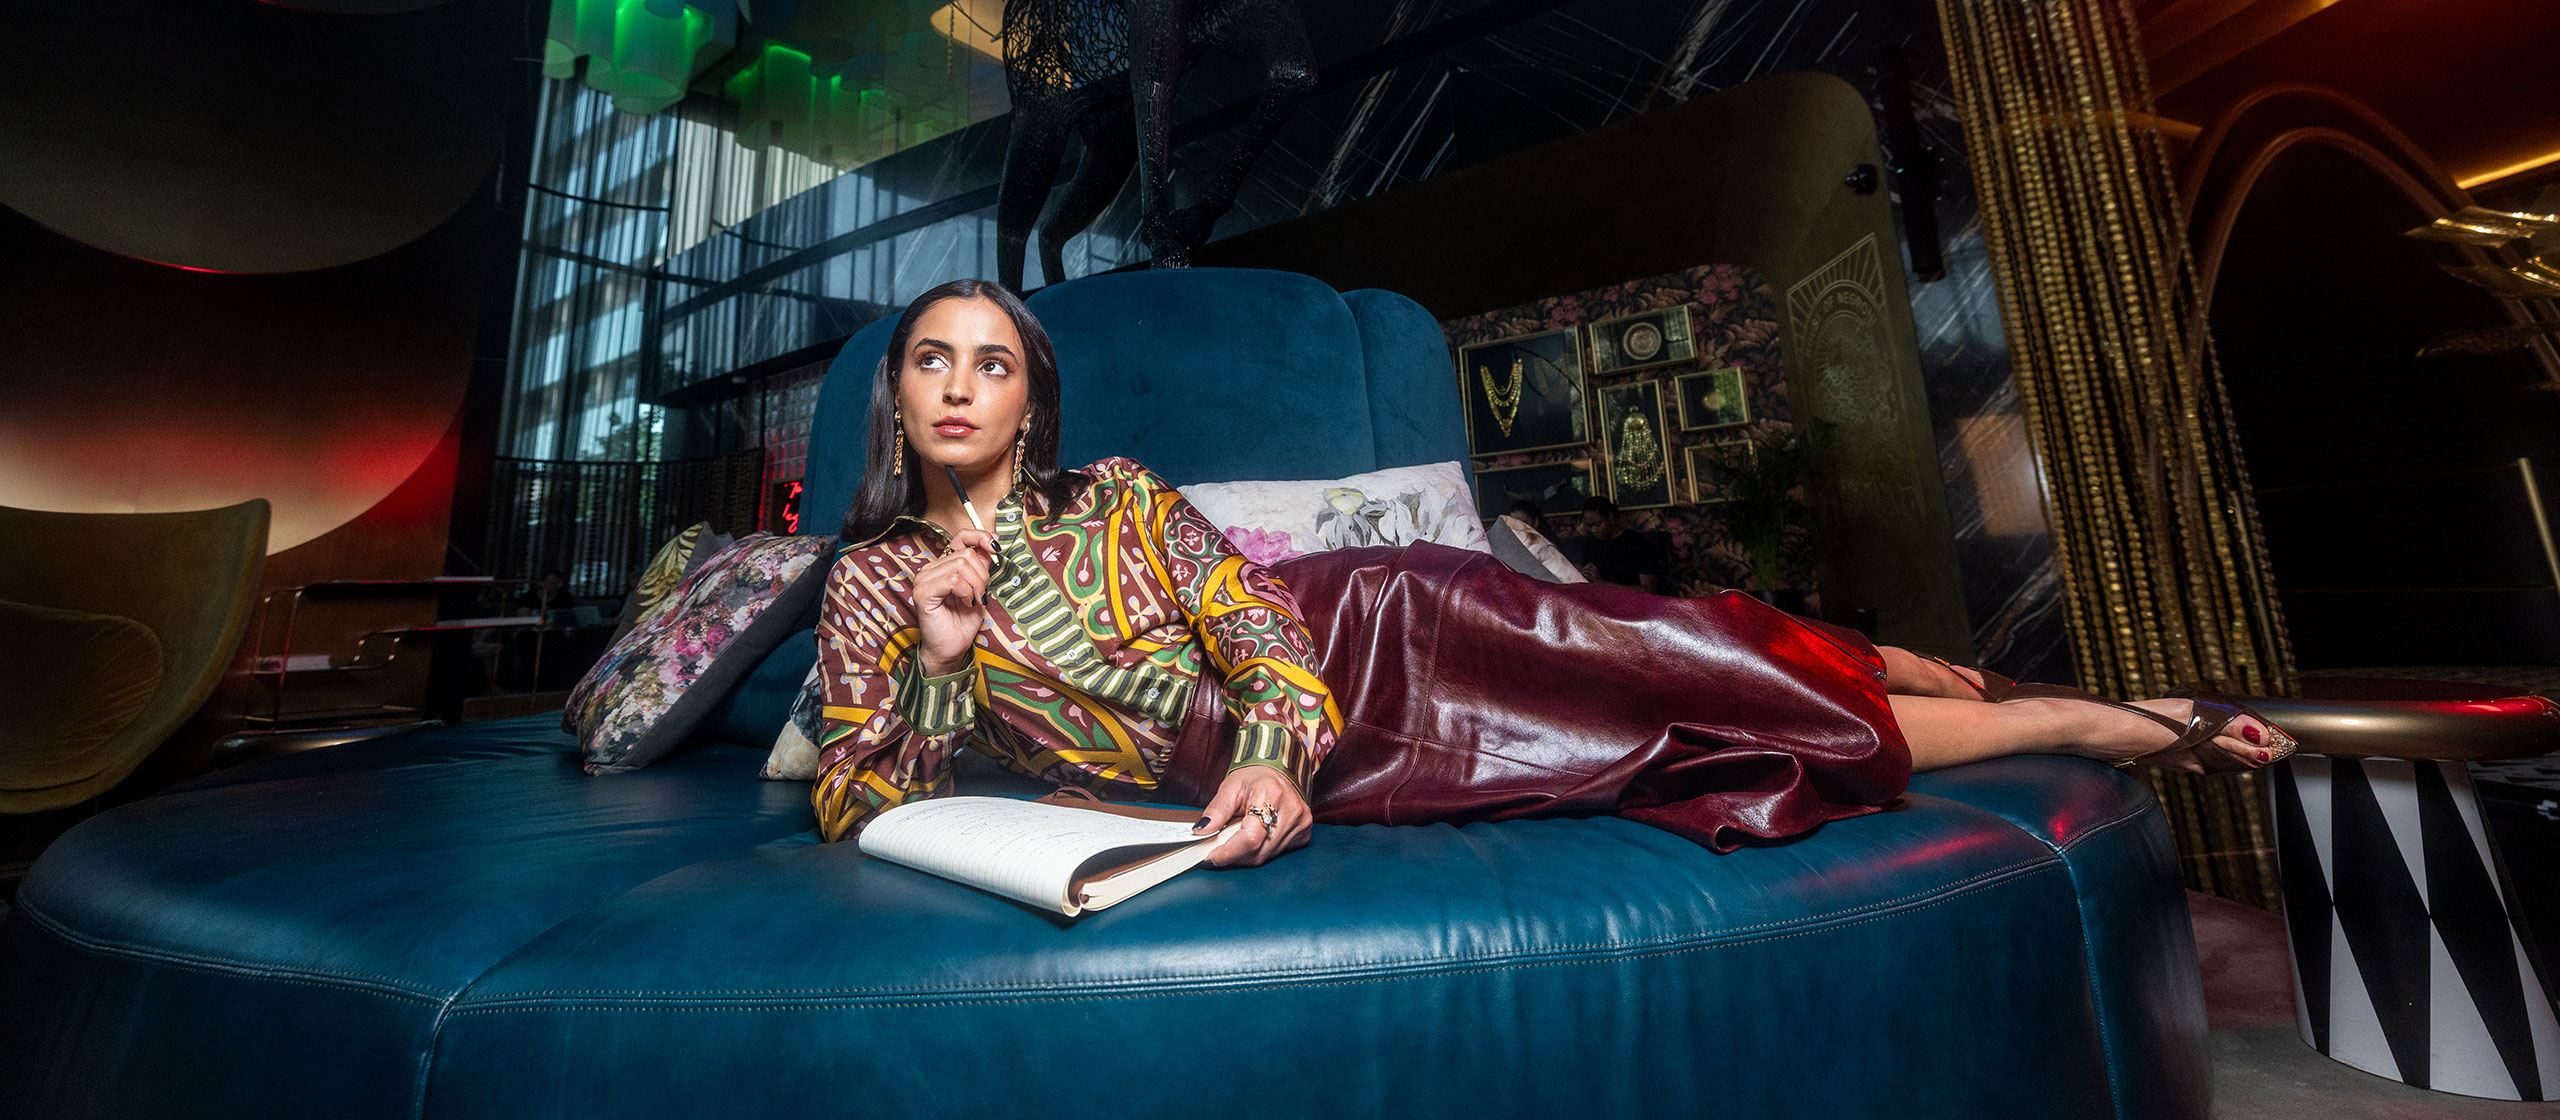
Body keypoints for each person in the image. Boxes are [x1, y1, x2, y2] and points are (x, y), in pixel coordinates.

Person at [810, 280, 2297, 868]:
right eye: (931, 361)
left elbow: (1255, 615)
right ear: (902, 396)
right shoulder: (872, 586)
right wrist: (944, 672)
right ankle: (1948, 687)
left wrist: (1273, 751)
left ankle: (2079, 717)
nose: (959, 388)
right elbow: (857, 796)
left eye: (990, 364)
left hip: (1360, 632)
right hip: (1246, 757)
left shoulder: (1118, 494)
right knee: (1659, 721)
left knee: (1640, 652)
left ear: (1028, 399)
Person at [1575, 497, 1663, 593]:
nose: (1594, 530)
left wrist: (1603, 584)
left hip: (1632, 604)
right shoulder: (1590, 545)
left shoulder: (1636, 543)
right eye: (1590, 526)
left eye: (1598, 524)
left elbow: (1650, 590)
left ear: (1611, 518)